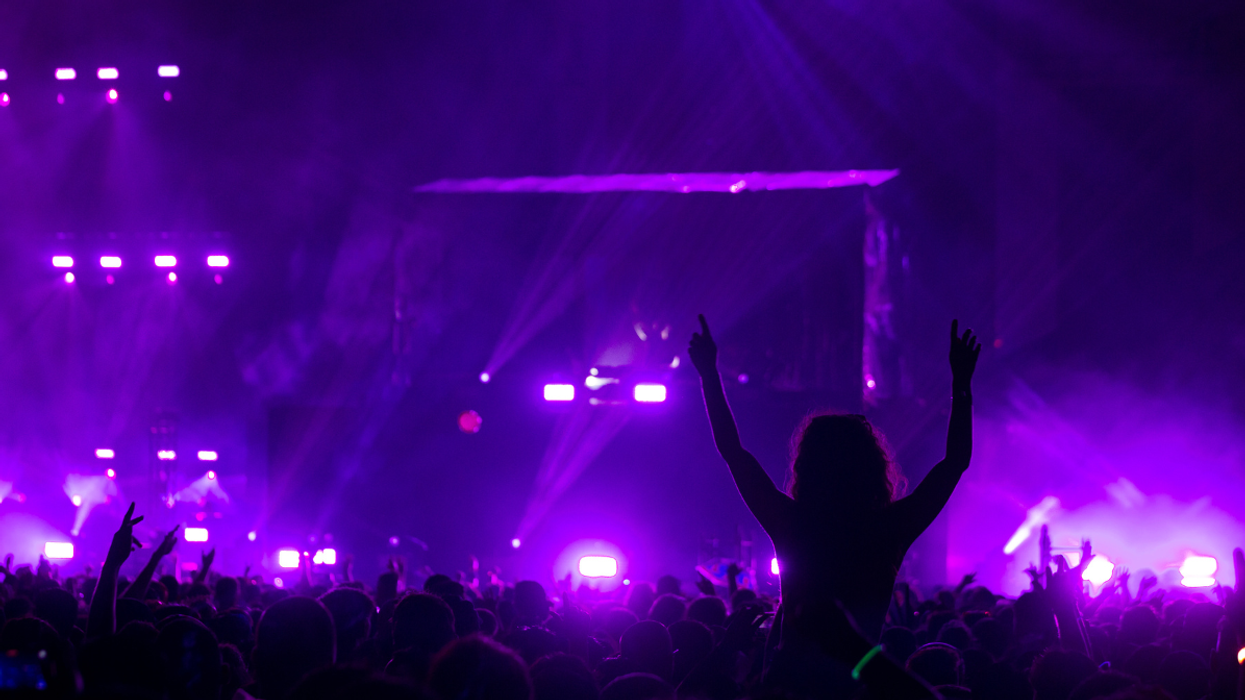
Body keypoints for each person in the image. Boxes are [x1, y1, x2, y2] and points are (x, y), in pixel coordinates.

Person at [689, 315, 981, 644]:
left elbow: (732, 450)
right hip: (856, 675)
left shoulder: (792, 523)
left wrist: (709, 374)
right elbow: (955, 462)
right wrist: (962, 384)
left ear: (806, 467)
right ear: (872, 467)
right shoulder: (888, 529)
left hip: (793, 674)